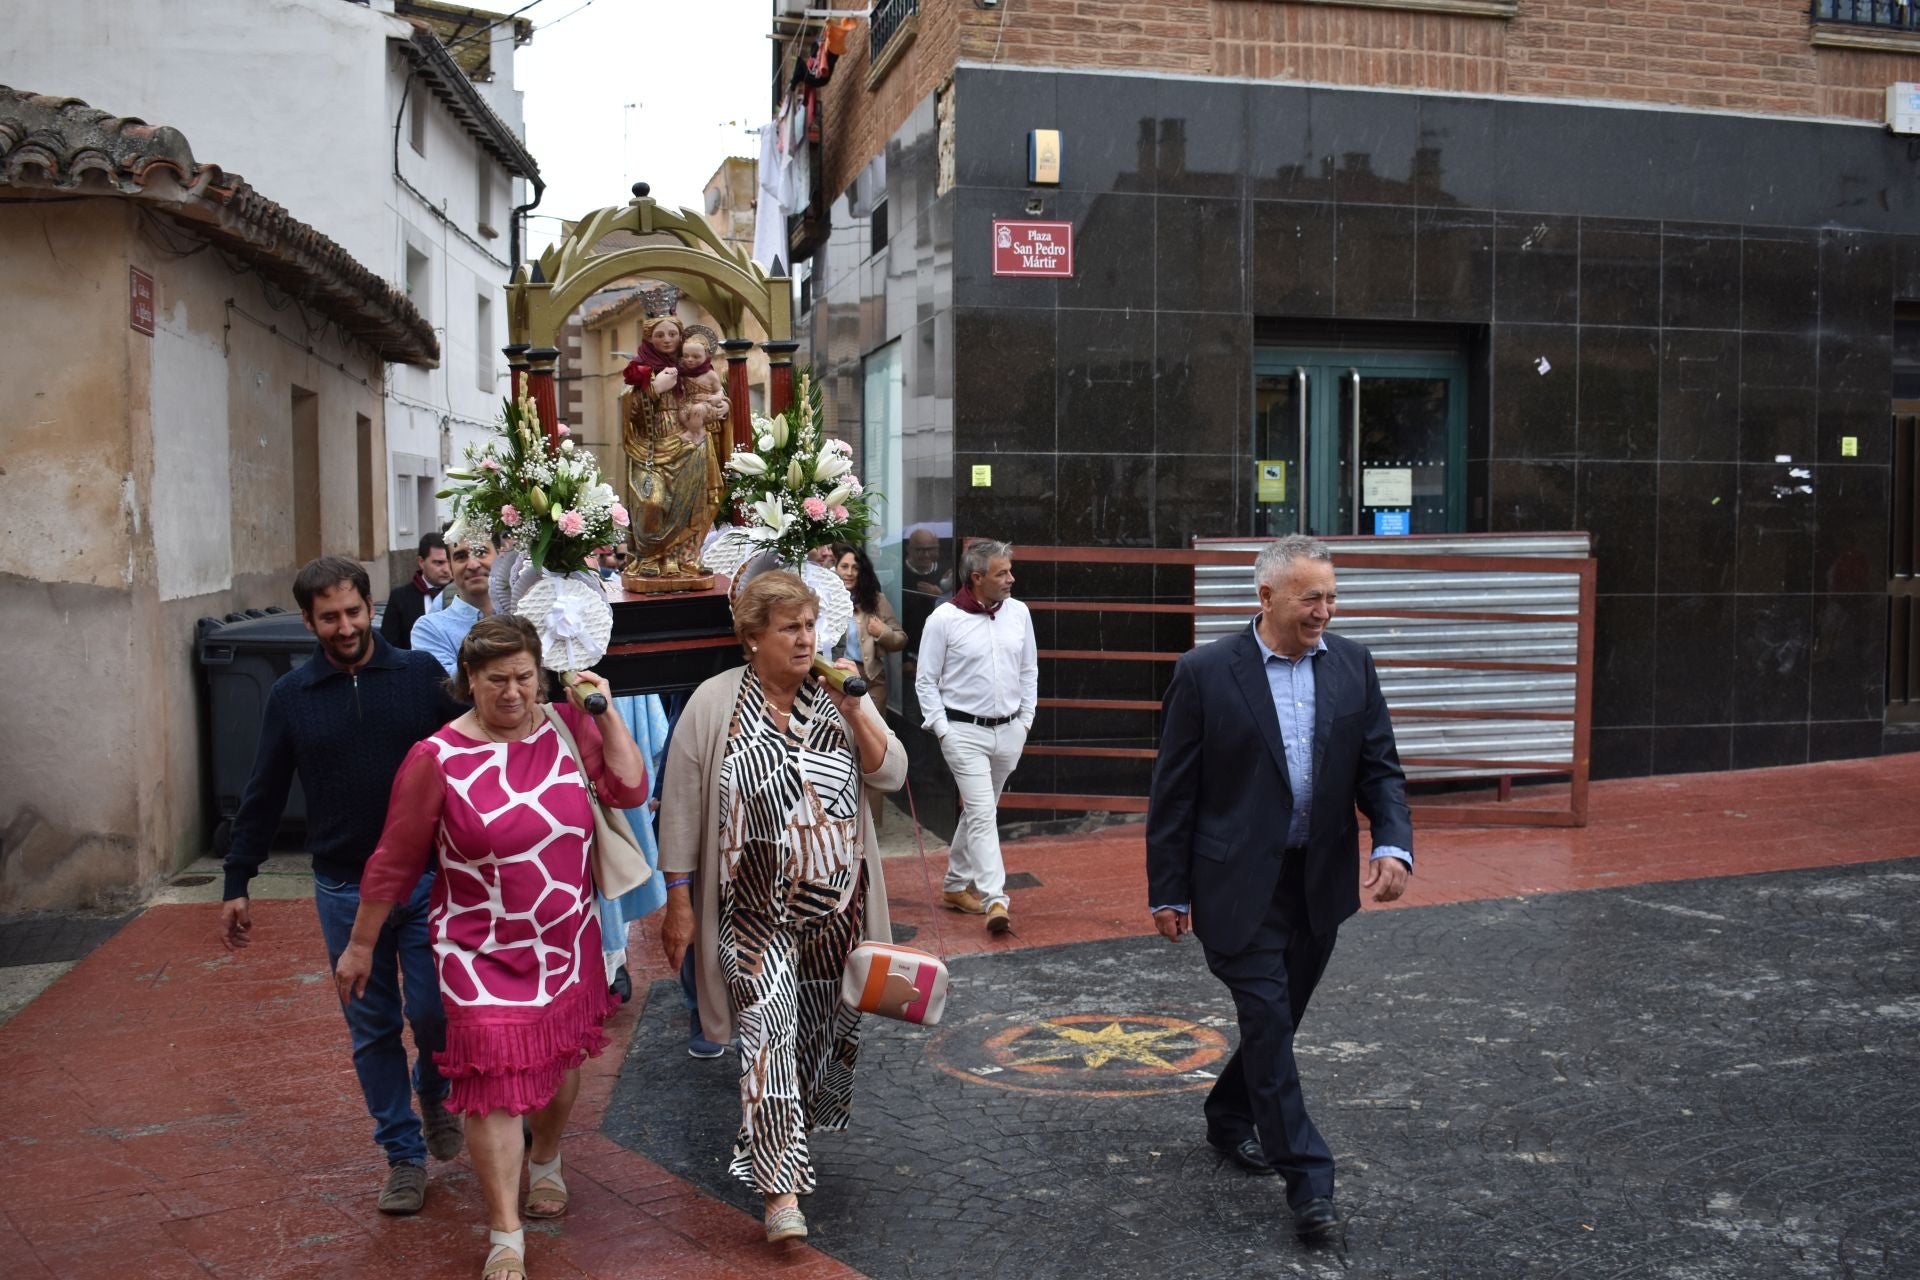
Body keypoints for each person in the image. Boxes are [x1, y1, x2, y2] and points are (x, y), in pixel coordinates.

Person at [337, 615, 647, 1280]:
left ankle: (547, 1160)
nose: (513, 693)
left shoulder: (570, 726)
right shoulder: (436, 757)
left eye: (525, 678)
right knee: (492, 1088)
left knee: (560, 1065)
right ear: (468, 681)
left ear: (542, 676)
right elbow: (395, 858)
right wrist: (361, 945)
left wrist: (608, 712)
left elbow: (630, 789)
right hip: (477, 948)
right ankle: (505, 1232)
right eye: (497, 680)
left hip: (564, 941)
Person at [1145, 534, 1413, 1244]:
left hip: (1317, 884)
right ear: (1265, 597)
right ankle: (1310, 1184)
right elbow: (1174, 793)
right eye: (1310, 597)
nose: (1324, 609)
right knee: (1268, 1021)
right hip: (1234, 887)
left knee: (1279, 1022)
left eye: (1331, 595)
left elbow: (1380, 768)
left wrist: (1392, 842)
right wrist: (1167, 890)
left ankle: (1229, 1116)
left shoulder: (1354, 665)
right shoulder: (1204, 673)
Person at [657, 570, 906, 1245]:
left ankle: (789, 1132)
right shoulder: (713, 704)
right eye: (790, 628)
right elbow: (679, 807)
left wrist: (856, 709)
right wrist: (679, 900)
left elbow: (894, 772)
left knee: (814, 1045)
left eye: (810, 625)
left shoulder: (838, 693)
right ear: (751, 638)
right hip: (751, 916)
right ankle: (780, 1194)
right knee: (766, 1040)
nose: (806, 639)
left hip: (835, 915)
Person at [220, 556, 467, 1215]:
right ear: (309, 621)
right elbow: (264, 792)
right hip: (342, 890)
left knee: (438, 1013)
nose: (345, 625)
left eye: (354, 611)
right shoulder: (292, 698)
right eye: (329, 617)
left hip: (425, 882)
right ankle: (403, 1155)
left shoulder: (419, 677)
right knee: (372, 1026)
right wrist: (237, 877)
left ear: (369, 609)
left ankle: (435, 1088)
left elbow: (471, 756)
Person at [914, 539, 1037, 934]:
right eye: (1002, 573)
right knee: (984, 813)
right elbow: (925, 680)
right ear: (977, 577)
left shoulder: (1019, 613)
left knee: (979, 812)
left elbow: (1029, 671)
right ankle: (995, 899)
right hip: (963, 731)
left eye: (1010, 570)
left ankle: (953, 885)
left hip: (1010, 730)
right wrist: (943, 730)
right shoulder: (944, 619)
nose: (1011, 579)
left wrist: (1025, 721)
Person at [832, 542, 906, 720]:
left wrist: (882, 631)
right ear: (835, 569)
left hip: (871, 682)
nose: (849, 573)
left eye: (855, 568)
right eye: (844, 566)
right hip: (835, 678)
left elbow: (901, 639)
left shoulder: (876, 600)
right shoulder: (825, 599)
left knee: (872, 736)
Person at [412, 534, 496, 675]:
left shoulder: (525, 615)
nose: (473, 564)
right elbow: (444, 685)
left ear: (501, 557)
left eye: (481, 552)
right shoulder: (429, 629)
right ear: (450, 567)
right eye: (461, 556)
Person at [380, 532, 452, 648]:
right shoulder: (400, 598)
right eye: (439, 563)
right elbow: (389, 647)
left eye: (449, 562)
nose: (446, 569)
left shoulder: (463, 594)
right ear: (421, 562)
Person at [902, 528, 950, 596]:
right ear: (909, 549)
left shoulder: (944, 572)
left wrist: (940, 594)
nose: (926, 555)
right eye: (920, 550)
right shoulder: (900, 573)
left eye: (929, 549)